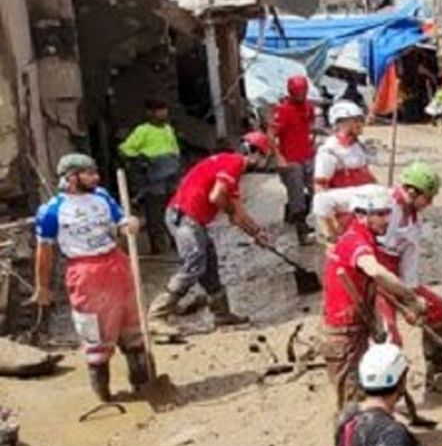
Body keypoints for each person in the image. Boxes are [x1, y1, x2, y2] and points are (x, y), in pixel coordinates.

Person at [34, 153, 151, 402]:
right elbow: (44, 251)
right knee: (96, 334)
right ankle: (104, 395)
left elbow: (120, 222)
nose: (95, 177)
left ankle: (143, 385)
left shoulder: (102, 197)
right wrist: (42, 287)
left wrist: (129, 224)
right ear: (72, 177)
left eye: (95, 171)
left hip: (116, 262)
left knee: (133, 326)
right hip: (86, 272)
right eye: (89, 173)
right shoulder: (51, 211)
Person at [148, 133, 271, 326]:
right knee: (194, 264)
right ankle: (157, 315)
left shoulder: (227, 167)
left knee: (210, 264)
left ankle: (221, 313)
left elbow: (238, 212)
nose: (264, 163)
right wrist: (230, 212)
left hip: (191, 219)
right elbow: (217, 197)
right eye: (265, 157)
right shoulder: (234, 164)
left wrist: (256, 232)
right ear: (256, 154)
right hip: (184, 217)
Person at [323, 185, 426, 407]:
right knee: (351, 402)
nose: (386, 220)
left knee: (362, 394)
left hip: (358, 326)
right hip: (343, 333)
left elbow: (375, 287)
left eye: (387, 213)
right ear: (360, 215)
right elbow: (376, 271)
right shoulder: (354, 241)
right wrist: (411, 299)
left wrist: (399, 311)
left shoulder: (367, 239)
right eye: (379, 214)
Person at [118, 98, 181, 255]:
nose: (163, 113)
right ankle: (158, 247)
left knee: (175, 210)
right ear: (150, 113)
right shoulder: (143, 130)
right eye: (159, 110)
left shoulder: (168, 129)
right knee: (155, 212)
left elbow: (175, 149)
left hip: (171, 175)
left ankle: (176, 242)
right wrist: (142, 160)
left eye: (164, 110)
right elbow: (125, 148)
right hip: (154, 177)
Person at [270, 74, 317, 245]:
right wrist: (279, 157)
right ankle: (301, 230)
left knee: (314, 190)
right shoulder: (283, 110)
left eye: (303, 91)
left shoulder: (308, 107)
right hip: (290, 158)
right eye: (298, 91)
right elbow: (272, 135)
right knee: (297, 194)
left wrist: (313, 144)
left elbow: (311, 127)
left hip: (307, 154)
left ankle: (295, 216)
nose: (301, 94)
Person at [314, 100, 374, 194]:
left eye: (361, 120)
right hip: (342, 204)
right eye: (355, 120)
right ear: (341, 123)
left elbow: (367, 174)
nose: (361, 124)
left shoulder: (359, 144)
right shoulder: (329, 150)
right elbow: (320, 186)